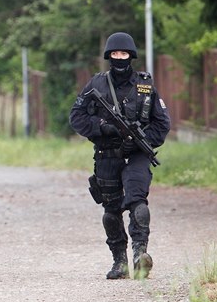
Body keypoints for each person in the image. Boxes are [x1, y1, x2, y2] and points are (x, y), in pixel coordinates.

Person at [69, 32, 171, 280]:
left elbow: (162, 123)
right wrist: (102, 128)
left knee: (138, 202)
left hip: (137, 155)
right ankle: (119, 262)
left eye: (123, 54)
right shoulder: (96, 84)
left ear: (131, 56)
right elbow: (77, 116)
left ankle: (140, 255)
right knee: (111, 209)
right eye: (115, 54)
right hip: (106, 154)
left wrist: (141, 142)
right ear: (108, 56)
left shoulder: (145, 86)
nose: (119, 58)